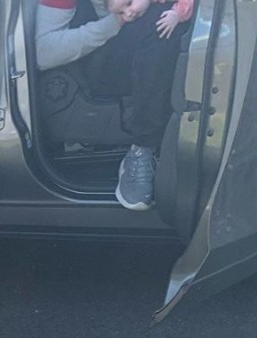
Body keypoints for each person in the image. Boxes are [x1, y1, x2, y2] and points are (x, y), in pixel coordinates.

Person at [36, 0, 190, 211]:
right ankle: (143, 147)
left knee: (168, 21)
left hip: (137, 39)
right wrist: (115, 21)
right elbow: (44, 52)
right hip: (96, 53)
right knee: (159, 25)